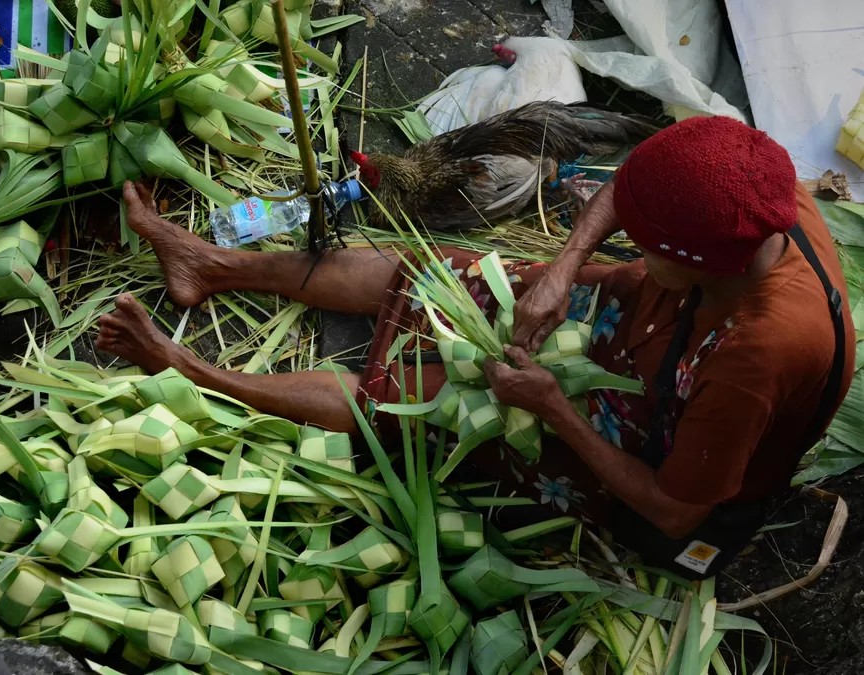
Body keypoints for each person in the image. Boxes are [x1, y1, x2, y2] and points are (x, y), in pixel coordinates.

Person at [96, 116, 855, 578]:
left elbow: (675, 510)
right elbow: (630, 187)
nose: (631, 238)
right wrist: (562, 270)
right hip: (644, 326)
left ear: (692, 264)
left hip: (652, 457)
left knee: (411, 400)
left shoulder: (756, 355)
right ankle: (212, 263)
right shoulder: (752, 189)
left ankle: (186, 365)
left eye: (646, 247)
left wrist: (554, 407)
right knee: (436, 275)